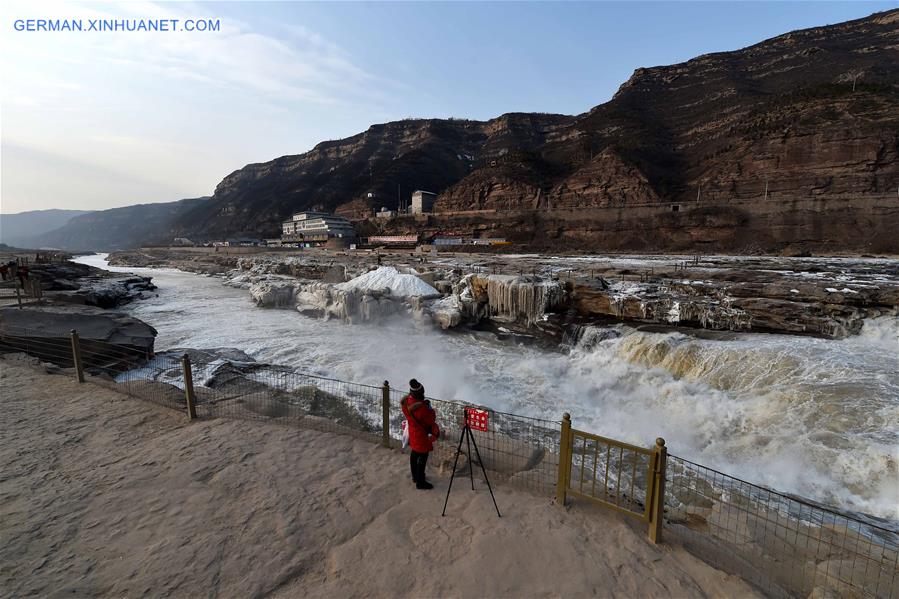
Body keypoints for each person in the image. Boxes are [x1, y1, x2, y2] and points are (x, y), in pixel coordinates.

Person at [401, 378, 440, 490]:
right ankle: (420, 482)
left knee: (414, 454)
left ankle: (415, 477)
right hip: (421, 435)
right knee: (422, 457)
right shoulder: (423, 409)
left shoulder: (406, 402)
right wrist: (430, 409)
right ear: (421, 393)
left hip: (412, 433)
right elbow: (431, 421)